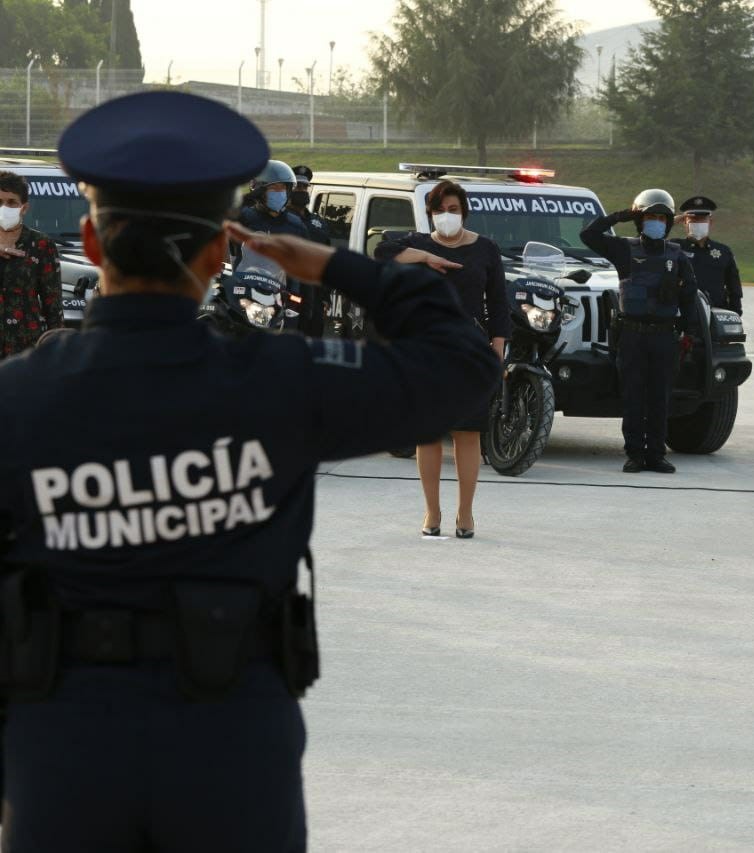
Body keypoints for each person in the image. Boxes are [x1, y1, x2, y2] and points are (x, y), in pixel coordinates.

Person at [0, 90, 498, 850]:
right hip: (230, 739)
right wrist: (343, 266)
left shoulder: (18, 397)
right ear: (220, 250)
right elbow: (463, 369)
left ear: (92, 244)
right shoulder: (280, 381)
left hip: (62, 748)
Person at [375, 180, 507, 538]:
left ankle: (465, 514)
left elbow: (498, 304)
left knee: (467, 432)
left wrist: (498, 347)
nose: (446, 217)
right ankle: (431, 513)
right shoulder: (418, 243)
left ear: (464, 212)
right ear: (429, 214)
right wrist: (425, 257)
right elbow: (381, 253)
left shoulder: (486, 250)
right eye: (439, 211)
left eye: (452, 210)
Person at [581, 189, 699, 473]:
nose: (655, 222)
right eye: (649, 217)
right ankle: (634, 453)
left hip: (663, 336)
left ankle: (656, 454)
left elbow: (689, 297)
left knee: (660, 397)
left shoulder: (677, 256)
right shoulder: (624, 249)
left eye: (661, 217)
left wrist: (689, 334)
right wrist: (622, 215)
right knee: (633, 396)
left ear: (669, 222)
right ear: (640, 220)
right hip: (632, 335)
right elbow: (589, 235)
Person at [235, 159, 323, 335]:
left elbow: (306, 272)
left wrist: (307, 313)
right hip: (248, 299)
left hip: (286, 301)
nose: (280, 193)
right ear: (260, 191)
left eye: (284, 188)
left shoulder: (296, 225)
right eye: (275, 189)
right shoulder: (244, 218)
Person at [0, 170, 63, 359]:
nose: (4, 207)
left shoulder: (41, 244)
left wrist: (58, 350)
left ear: (24, 208)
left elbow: (52, 303)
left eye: (11, 202)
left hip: (25, 348)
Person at [676, 195, 743, 315]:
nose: (698, 223)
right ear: (684, 222)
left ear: (710, 222)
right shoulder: (675, 248)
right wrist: (672, 220)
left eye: (702, 219)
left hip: (716, 313)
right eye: (693, 220)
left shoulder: (723, 252)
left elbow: (734, 287)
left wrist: (735, 313)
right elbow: (650, 243)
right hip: (682, 313)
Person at [287, 165, 334, 336]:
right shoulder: (280, 220)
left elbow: (327, 259)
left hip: (314, 295)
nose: (302, 190)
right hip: (287, 292)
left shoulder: (318, 223)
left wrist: (325, 297)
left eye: (305, 187)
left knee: (312, 342)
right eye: (297, 187)